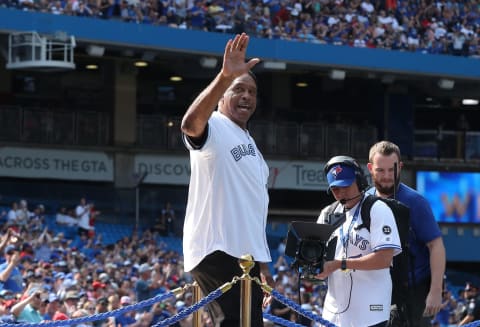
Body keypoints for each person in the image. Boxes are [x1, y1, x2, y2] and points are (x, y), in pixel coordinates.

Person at [181, 32, 273, 326]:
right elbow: (190, 125)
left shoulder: (250, 144)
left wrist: (263, 264)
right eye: (238, 89)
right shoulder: (216, 127)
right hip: (217, 248)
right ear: (221, 97)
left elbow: (253, 210)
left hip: (245, 256)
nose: (246, 96)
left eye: (252, 92)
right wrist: (224, 76)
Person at [367, 141, 446, 327]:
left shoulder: (416, 202)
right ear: (370, 168)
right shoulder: (365, 201)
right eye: (380, 170)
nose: (386, 176)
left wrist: (435, 291)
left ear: (400, 167)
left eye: (391, 170)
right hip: (378, 289)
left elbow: (436, 246)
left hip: (413, 292)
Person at [316, 155, 402, 327]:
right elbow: (318, 256)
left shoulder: (377, 209)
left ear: (360, 181)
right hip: (334, 313)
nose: (341, 193)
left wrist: (339, 264)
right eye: (335, 189)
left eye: (346, 186)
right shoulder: (327, 213)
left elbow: (385, 259)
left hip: (371, 312)